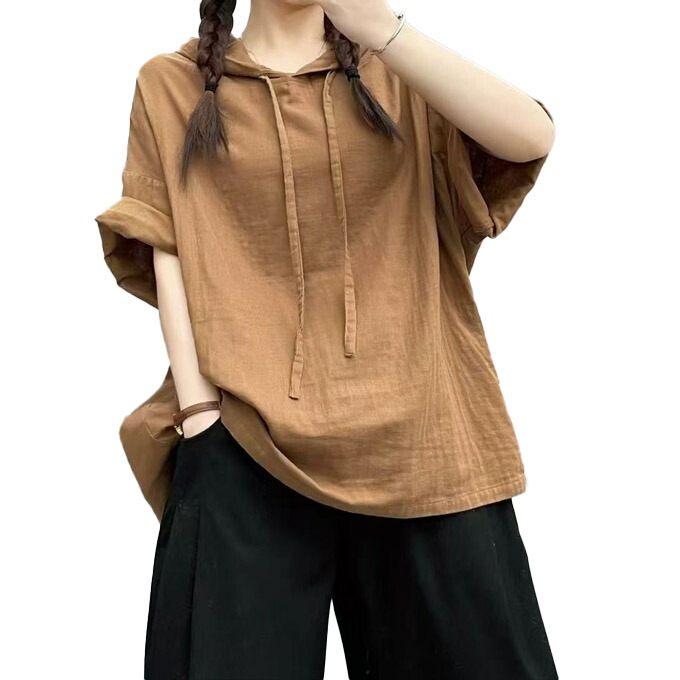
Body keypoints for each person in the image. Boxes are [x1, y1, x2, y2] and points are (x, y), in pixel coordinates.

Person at [94, 0, 558, 678]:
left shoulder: (399, 71)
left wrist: (381, 29)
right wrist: (198, 414)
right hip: (244, 441)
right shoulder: (172, 84)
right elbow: (167, 243)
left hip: (423, 443)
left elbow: (531, 137)